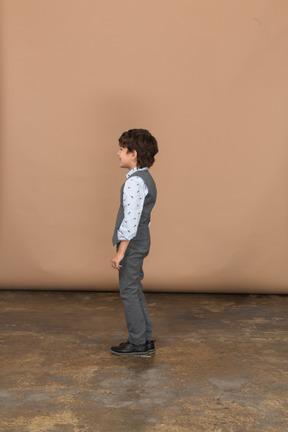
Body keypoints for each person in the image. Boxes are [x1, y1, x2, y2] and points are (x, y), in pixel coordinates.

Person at [110, 128, 158, 356]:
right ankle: (145, 339)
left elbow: (131, 219)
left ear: (134, 154)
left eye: (122, 149)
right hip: (141, 240)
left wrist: (121, 251)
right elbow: (142, 218)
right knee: (135, 290)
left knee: (128, 291)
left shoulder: (134, 183)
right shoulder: (145, 178)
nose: (118, 153)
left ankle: (138, 342)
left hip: (133, 243)